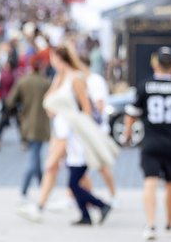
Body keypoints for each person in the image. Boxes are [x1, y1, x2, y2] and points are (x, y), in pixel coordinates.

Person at [124, 47, 171, 240]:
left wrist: (127, 135)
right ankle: (170, 221)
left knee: (150, 181)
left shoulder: (144, 86)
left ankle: (150, 224)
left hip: (150, 141)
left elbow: (131, 115)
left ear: (156, 64)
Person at [43, 46, 116, 226]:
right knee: (75, 178)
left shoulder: (76, 79)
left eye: (53, 58)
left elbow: (87, 109)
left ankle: (101, 205)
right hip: (66, 135)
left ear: (60, 59)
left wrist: (85, 133)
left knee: (73, 180)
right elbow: (49, 105)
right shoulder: (60, 79)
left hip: (77, 136)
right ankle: (86, 214)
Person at [6, 57, 52, 200]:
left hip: (27, 124)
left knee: (35, 156)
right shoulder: (46, 83)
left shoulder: (23, 82)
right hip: (42, 125)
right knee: (35, 156)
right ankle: (34, 188)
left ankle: (34, 188)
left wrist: (21, 110)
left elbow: (10, 101)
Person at [85, 65, 117, 203]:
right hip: (89, 131)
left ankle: (113, 196)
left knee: (102, 166)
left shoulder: (94, 81)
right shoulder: (85, 80)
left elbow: (99, 106)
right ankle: (83, 196)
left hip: (96, 131)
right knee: (79, 168)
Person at [0, 49, 19, 151]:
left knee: (6, 121)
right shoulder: (10, 75)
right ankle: (24, 140)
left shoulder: (5, 75)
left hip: (6, 99)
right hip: (9, 99)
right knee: (15, 121)